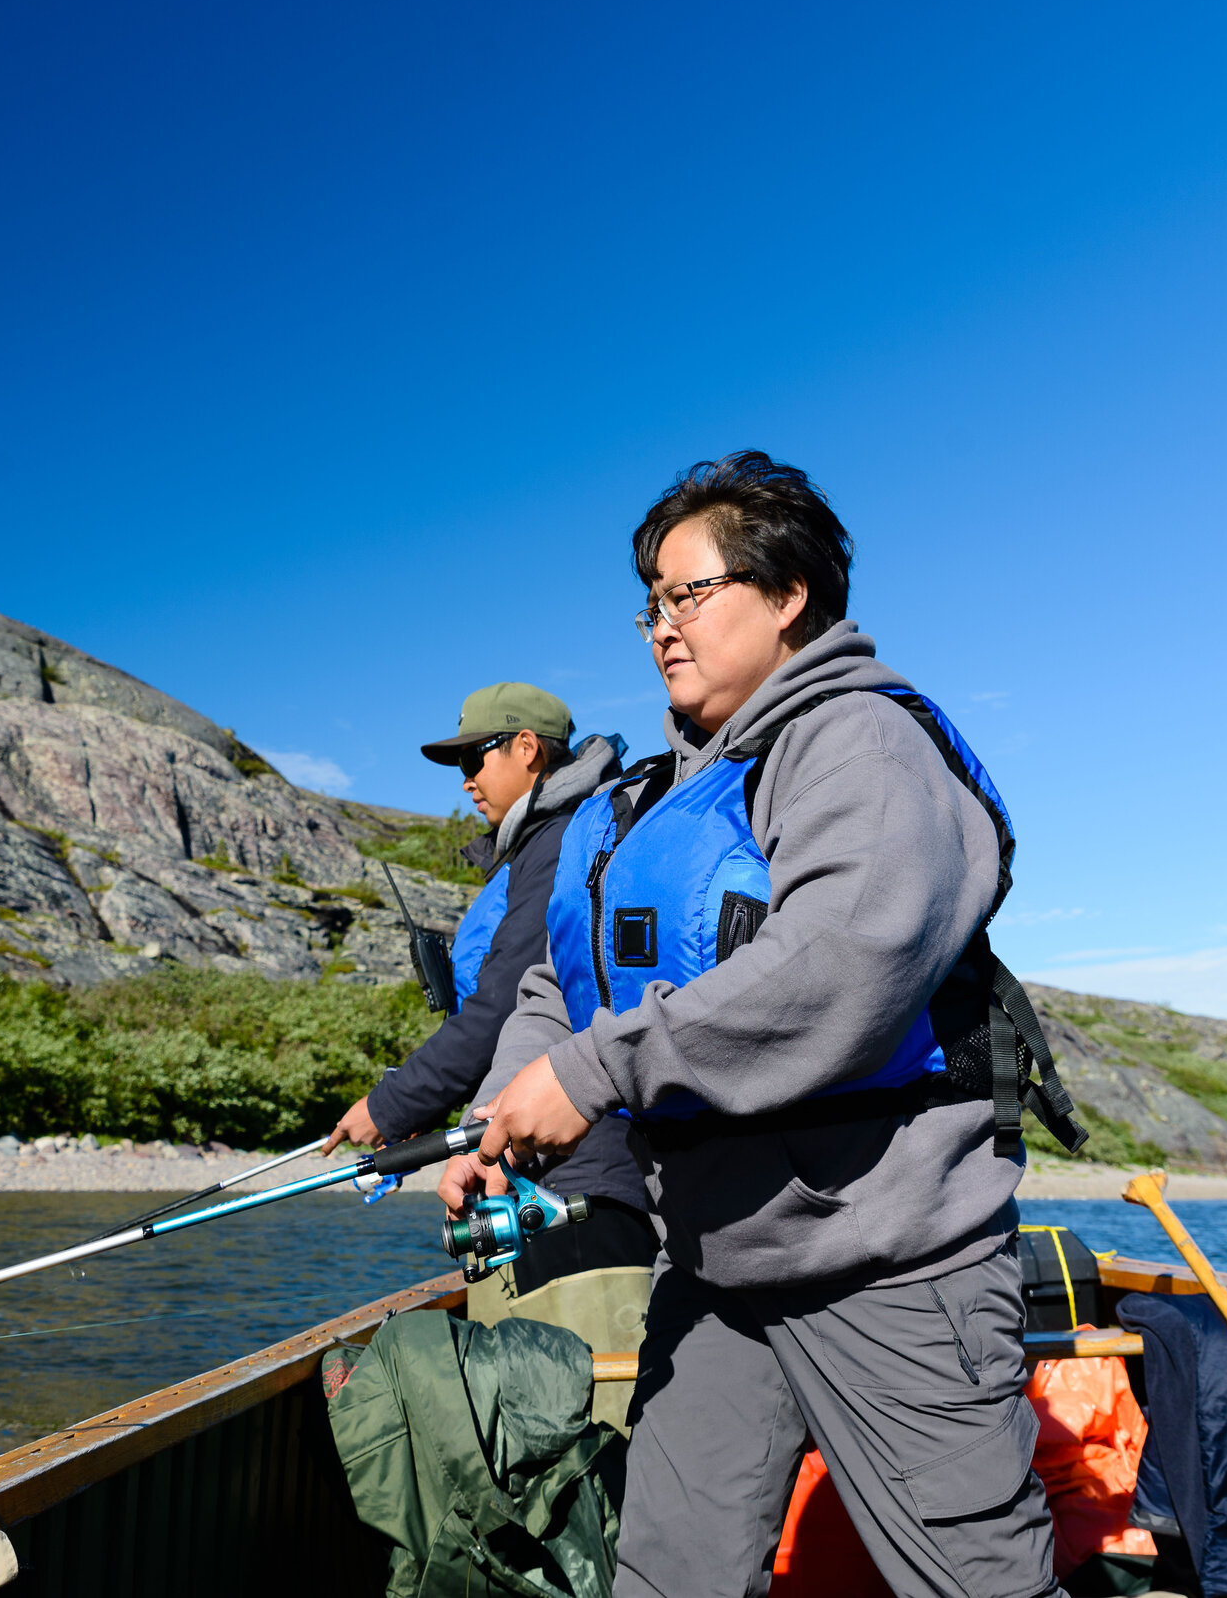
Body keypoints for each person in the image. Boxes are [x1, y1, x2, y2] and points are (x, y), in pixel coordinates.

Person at [447, 454, 1071, 1598]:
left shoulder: (860, 744)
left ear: (789, 595)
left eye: (691, 594)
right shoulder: (652, 795)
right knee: (667, 1574)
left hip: (891, 1265)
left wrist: (594, 1073)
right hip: (715, 1263)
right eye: (651, 603)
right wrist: (503, 1111)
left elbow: (841, 965)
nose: (661, 628)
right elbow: (558, 984)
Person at [324, 681, 657, 1382]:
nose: (467, 779)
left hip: (579, 1174)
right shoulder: (542, 845)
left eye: (475, 756)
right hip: (522, 1161)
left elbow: (502, 1008)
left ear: (527, 748)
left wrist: (389, 1108)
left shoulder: (563, 842)